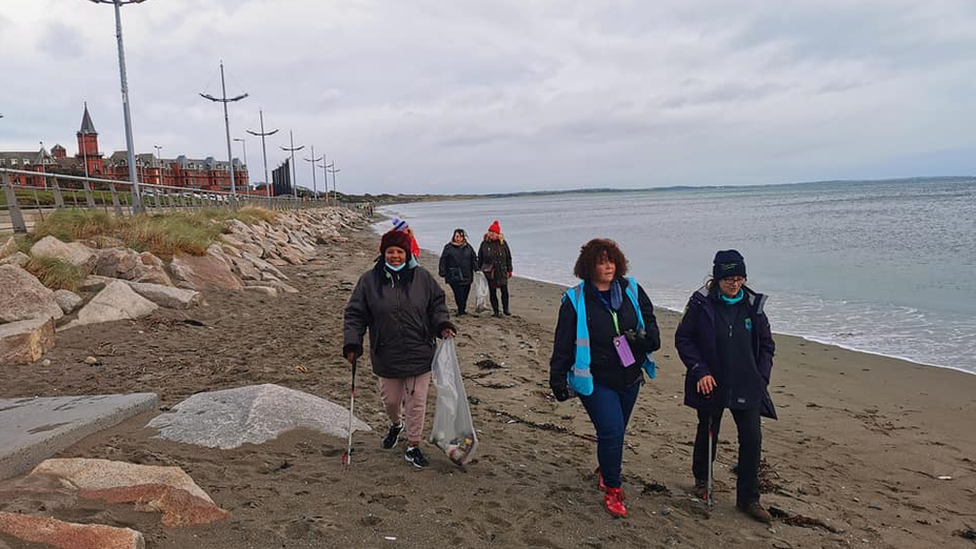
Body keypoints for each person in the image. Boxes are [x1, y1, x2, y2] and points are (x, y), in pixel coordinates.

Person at [549, 238, 661, 518]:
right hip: (596, 380)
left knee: (616, 432)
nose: (608, 266)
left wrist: (647, 340)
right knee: (611, 431)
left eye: (611, 260)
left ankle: (605, 466)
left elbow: (651, 323)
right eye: (601, 261)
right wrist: (557, 378)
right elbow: (562, 343)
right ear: (589, 266)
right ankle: (613, 489)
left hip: (631, 376)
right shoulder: (575, 300)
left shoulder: (632, 289)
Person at [674, 250, 776, 524]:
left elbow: (767, 345)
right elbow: (684, 339)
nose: (735, 283)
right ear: (717, 277)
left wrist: (761, 376)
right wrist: (700, 371)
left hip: (747, 382)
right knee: (708, 430)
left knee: (752, 439)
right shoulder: (700, 303)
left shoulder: (753, 306)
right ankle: (702, 481)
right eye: (729, 278)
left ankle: (748, 498)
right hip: (711, 382)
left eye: (739, 277)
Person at [343, 229, 457, 468]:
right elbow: (355, 314)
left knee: (416, 401)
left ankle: (413, 445)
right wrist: (352, 342)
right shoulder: (369, 281)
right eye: (390, 251)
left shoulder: (422, 277)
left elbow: (437, 305)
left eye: (399, 252)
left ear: (407, 253)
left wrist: (443, 325)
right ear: (383, 253)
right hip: (386, 353)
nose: (395, 256)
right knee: (391, 401)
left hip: (420, 352)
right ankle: (396, 424)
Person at [477, 220, 513, 317]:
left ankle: (506, 309)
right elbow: (480, 257)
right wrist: (478, 269)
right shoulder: (484, 244)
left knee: (504, 291)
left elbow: (508, 257)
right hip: (490, 272)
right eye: (490, 232)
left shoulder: (503, 243)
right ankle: (496, 310)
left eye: (493, 232)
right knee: (492, 292)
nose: (491, 234)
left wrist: (510, 270)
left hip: (502, 270)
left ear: (498, 234)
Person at [438, 228, 478, 315]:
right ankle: (460, 310)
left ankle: (462, 309)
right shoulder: (448, 247)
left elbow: (474, 258)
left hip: (467, 274)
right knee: (458, 293)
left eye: (460, 236)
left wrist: (476, 268)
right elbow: (443, 260)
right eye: (456, 236)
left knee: (465, 293)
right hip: (454, 274)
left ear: (463, 237)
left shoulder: (468, 247)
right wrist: (442, 271)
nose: (458, 238)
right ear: (454, 236)